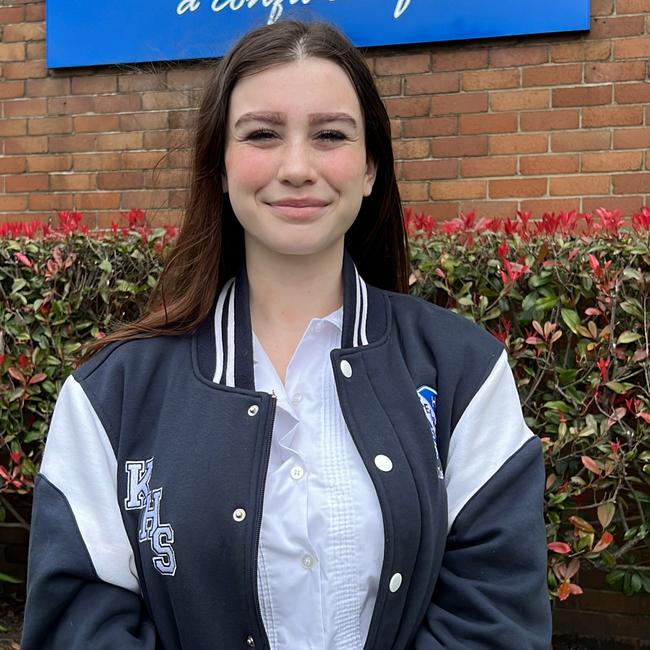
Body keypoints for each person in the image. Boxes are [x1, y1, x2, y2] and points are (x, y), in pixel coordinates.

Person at [21, 19, 551, 650]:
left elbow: (496, 621)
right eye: (263, 135)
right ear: (219, 165)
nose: (297, 167)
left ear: (370, 168)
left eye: (330, 135)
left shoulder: (465, 372)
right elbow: (77, 626)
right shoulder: (112, 395)